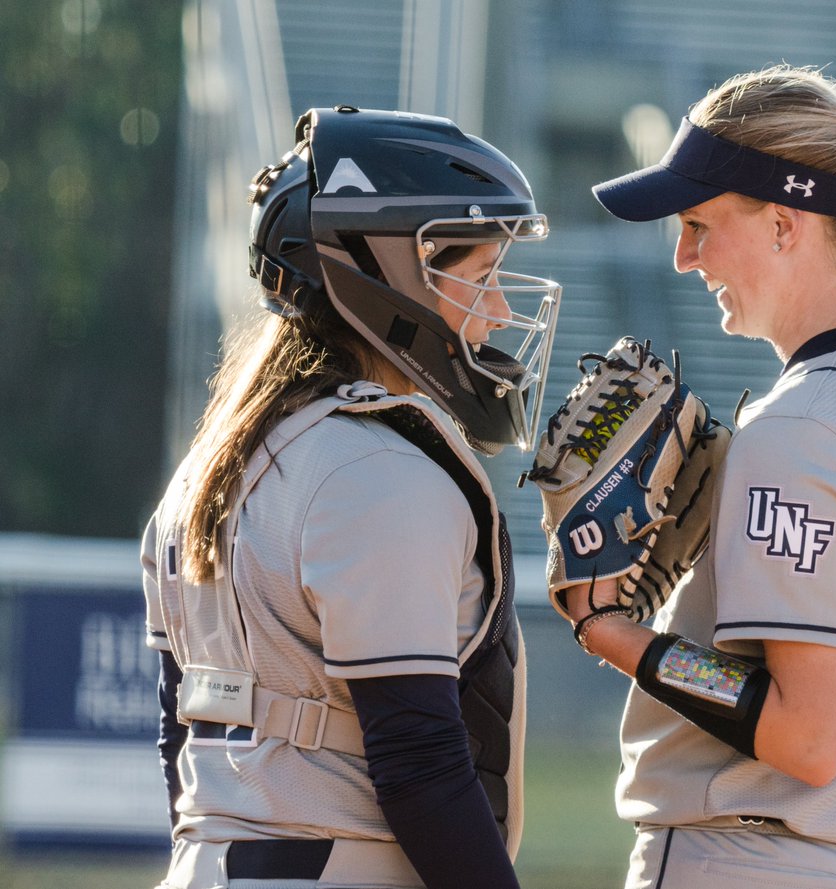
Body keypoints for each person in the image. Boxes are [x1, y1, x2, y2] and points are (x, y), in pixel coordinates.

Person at [563, 64, 836, 887]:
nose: (684, 257)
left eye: (699, 224)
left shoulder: (801, 426)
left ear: (785, 226)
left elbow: (807, 737)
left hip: (752, 860)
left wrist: (615, 634)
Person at [141, 106, 560, 889]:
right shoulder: (377, 471)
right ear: (392, 276)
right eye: (481, 276)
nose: (500, 310)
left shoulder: (205, 468)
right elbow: (420, 767)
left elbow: (179, 736)